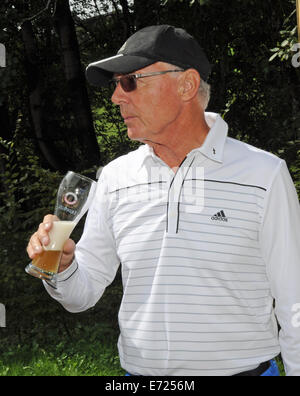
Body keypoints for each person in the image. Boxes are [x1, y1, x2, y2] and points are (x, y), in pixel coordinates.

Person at [26, 25, 300, 376]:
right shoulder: (115, 178)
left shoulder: (263, 174)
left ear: (186, 84)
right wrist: (61, 268)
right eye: (116, 85)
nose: (116, 97)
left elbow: (294, 301)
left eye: (130, 82)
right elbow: (84, 293)